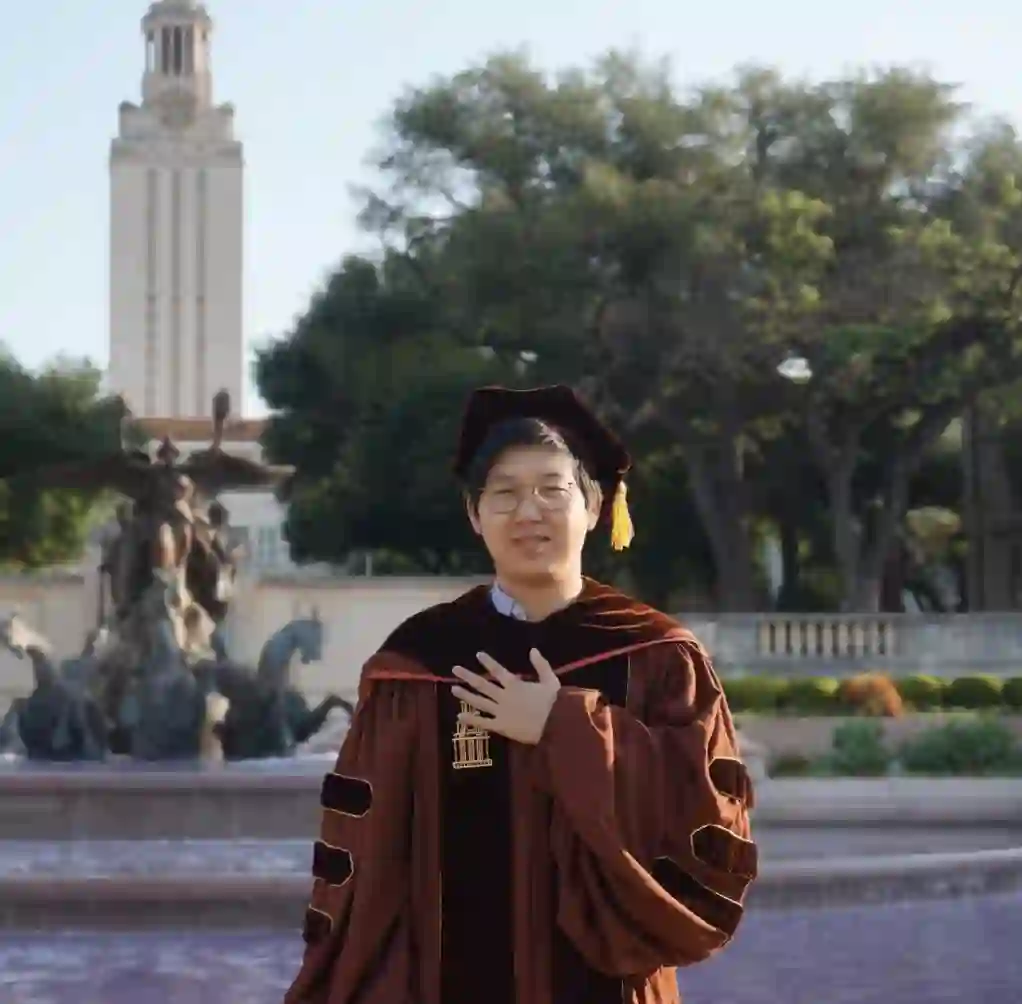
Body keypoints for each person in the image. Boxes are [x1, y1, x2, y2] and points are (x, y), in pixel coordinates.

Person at [284, 384, 757, 1004]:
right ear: (474, 515)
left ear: (593, 506)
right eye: (504, 493)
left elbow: (709, 813)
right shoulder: (419, 662)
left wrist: (565, 728)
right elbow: (363, 858)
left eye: (551, 490)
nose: (528, 511)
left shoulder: (657, 655)